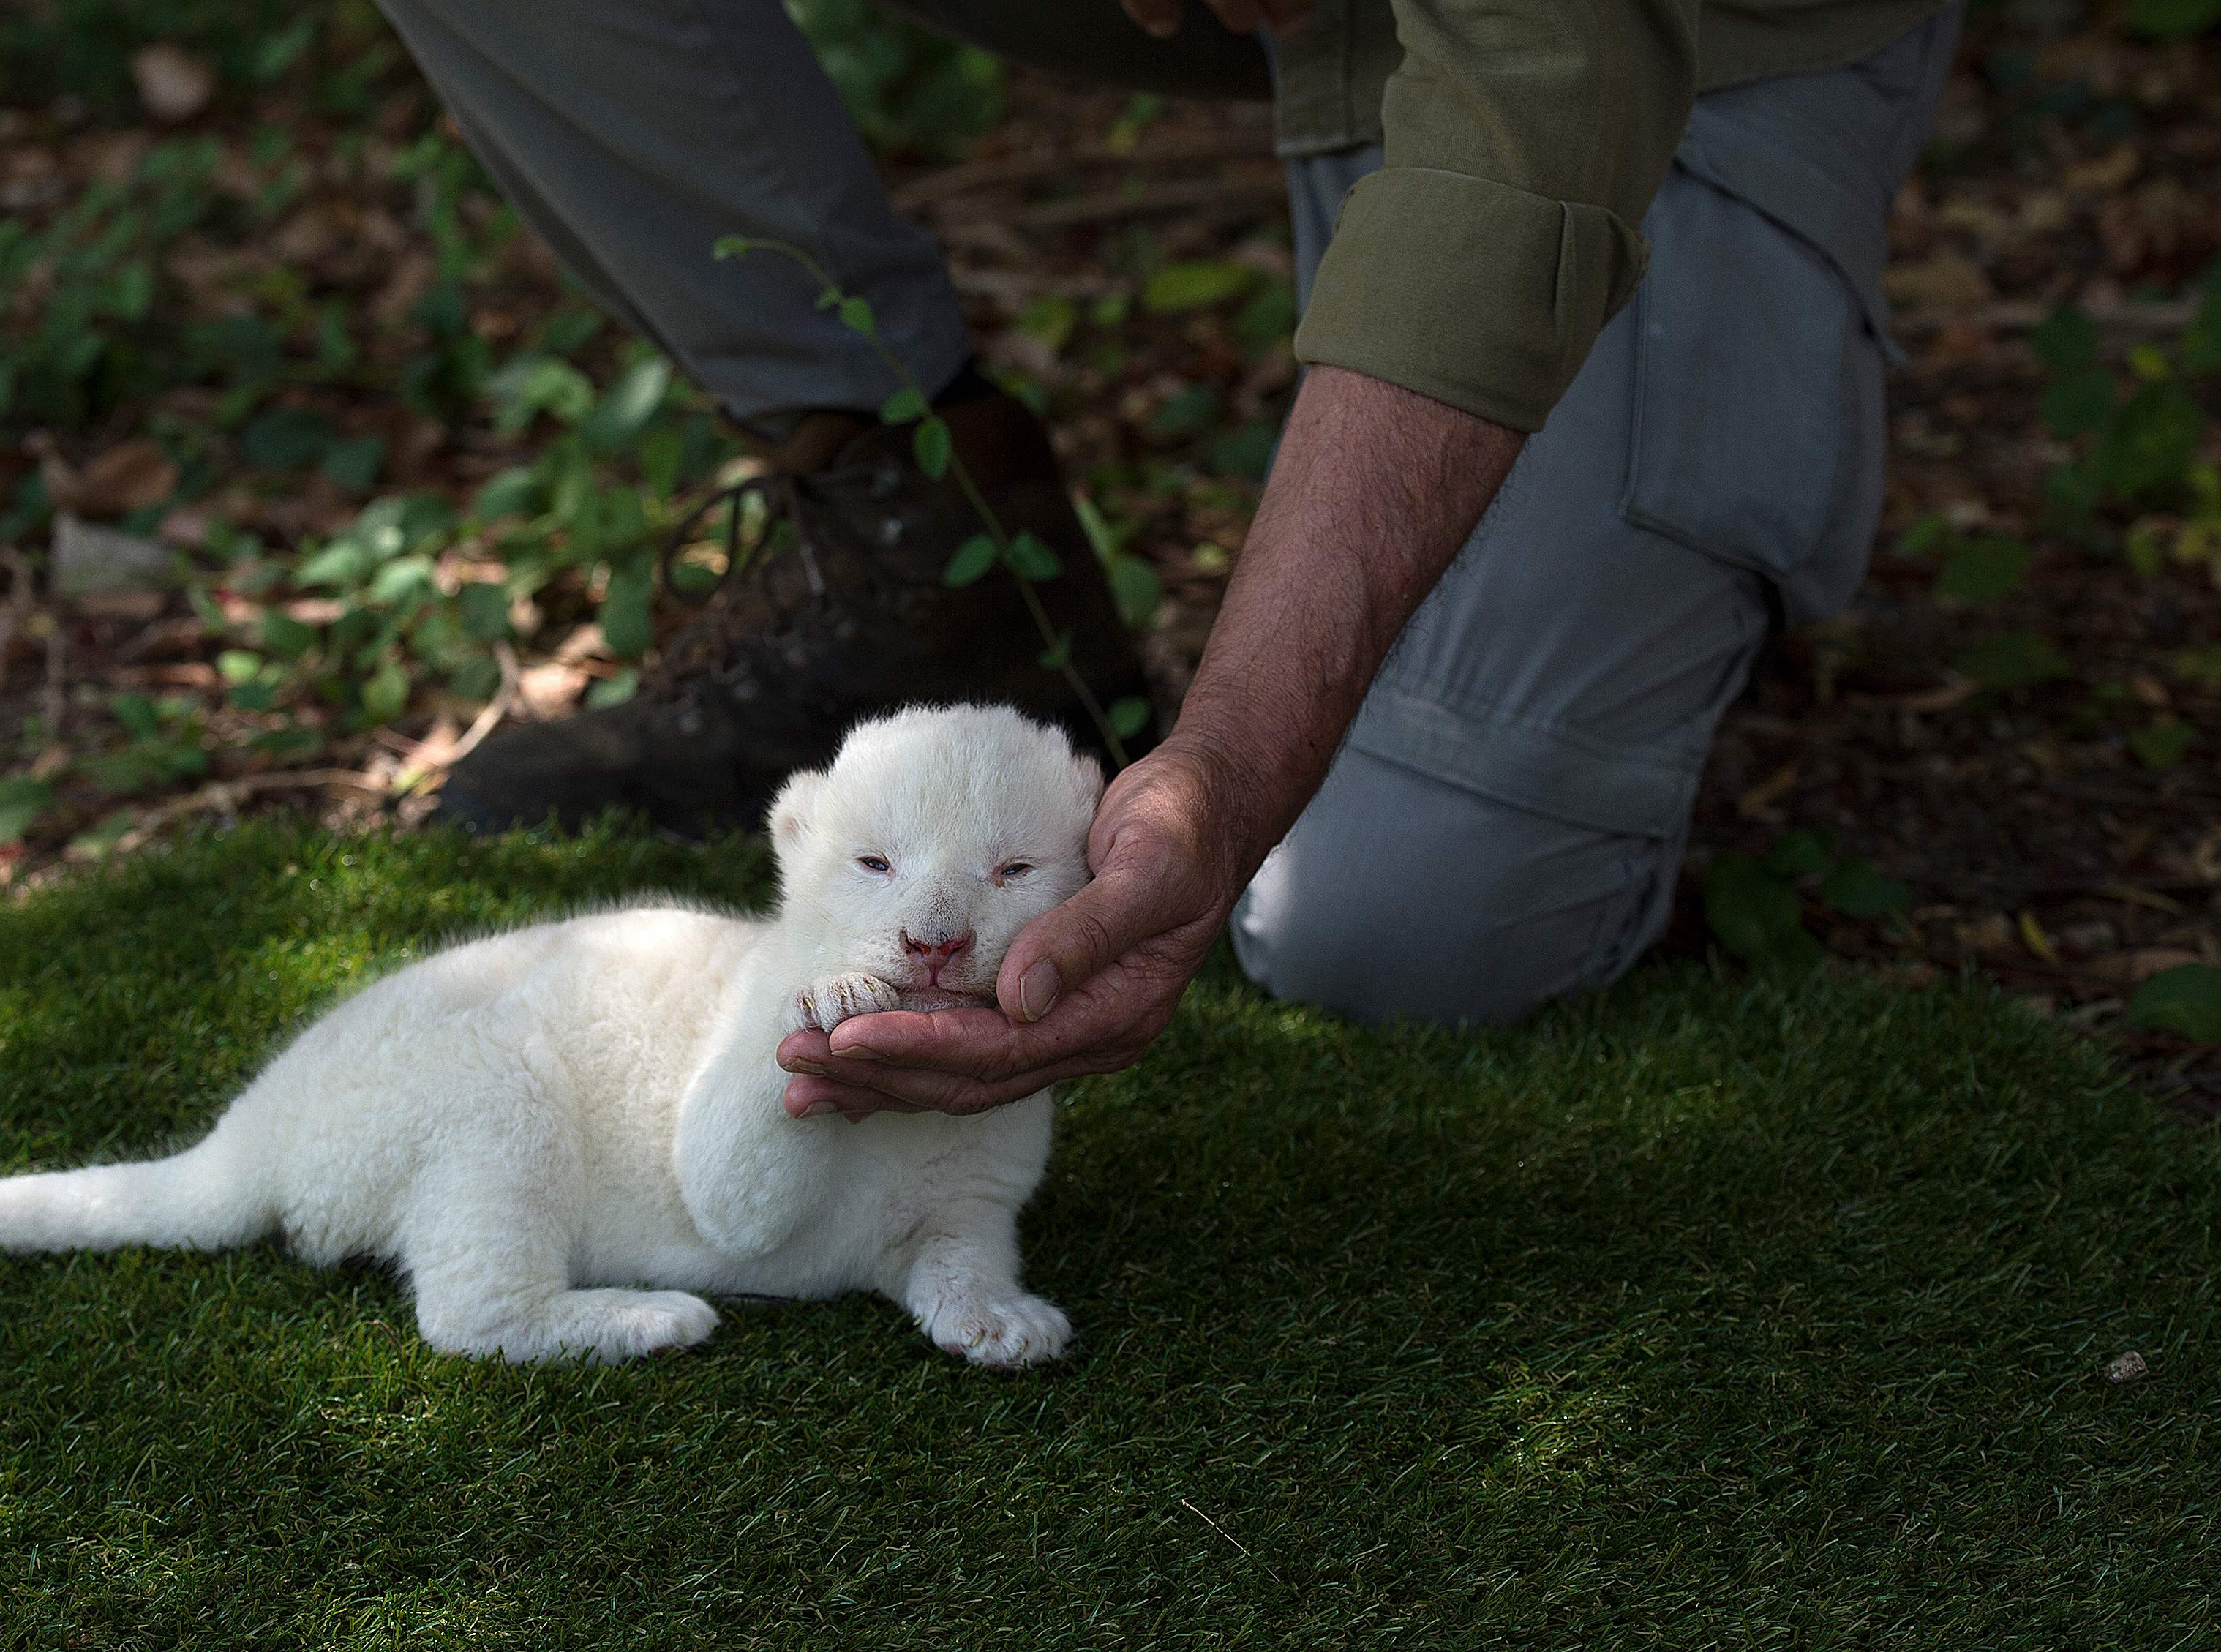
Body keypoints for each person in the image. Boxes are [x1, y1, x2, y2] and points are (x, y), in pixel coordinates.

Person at [367, 0, 1962, 1119]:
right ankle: (931, 542)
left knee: (1401, 926)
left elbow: (1535, 108)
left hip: (1652, 40)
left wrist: (1223, 776)